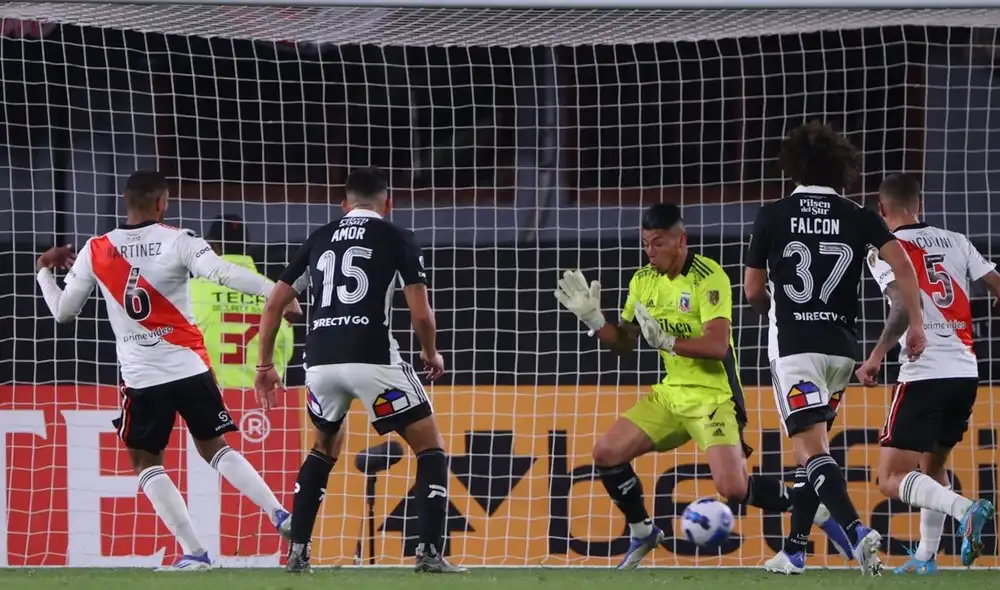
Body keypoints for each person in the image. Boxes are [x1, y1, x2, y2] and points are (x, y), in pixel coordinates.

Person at [554, 202, 852, 570]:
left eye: (658, 243)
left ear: (681, 240)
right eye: (646, 243)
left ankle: (812, 507)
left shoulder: (709, 277)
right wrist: (596, 320)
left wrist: (666, 342)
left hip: (714, 396)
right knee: (606, 454)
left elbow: (717, 346)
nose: (650, 252)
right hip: (671, 394)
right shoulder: (642, 281)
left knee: (733, 489)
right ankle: (643, 530)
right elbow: (625, 345)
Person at [34, 170, 302, 571]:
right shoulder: (180, 239)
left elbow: (63, 313)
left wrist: (43, 269)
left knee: (146, 463)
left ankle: (195, 552)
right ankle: (280, 514)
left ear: (127, 202)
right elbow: (224, 273)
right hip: (191, 368)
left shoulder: (96, 248)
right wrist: (278, 293)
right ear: (162, 202)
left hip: (142, 379)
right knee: (217, 448)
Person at [254, 166, 463, 575]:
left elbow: (274, 304)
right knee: (430, 447)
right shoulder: (397, 236)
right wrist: (431, 353)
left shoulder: (320, 237)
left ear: (343, 203)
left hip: (320, 365)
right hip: (373, 362)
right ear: (389, 203)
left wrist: (264, 365)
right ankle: (428, 553)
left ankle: (297, 554)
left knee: (322, 448)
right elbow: (421, 314)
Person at [744, 121, 927, 576]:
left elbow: (751, 290)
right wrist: (917, 323)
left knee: (811, 451)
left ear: (793, 169)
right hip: (842, 353)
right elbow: (903, 265)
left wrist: (773, 309)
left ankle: (857, 531)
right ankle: (794, 550)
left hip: (795, 349)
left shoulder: (772, 214)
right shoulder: (860, 215)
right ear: (841, 170)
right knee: (815, 449)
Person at [858, 173, 996, 573]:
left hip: (925, 372)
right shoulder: (956, 240)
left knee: (889, 477)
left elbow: (903, 306)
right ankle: (925, 558)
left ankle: (966, 509)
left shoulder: (885, 249)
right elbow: (997, 285)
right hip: (966, 372)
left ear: (881, 210)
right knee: (932, 468)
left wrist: (876, 355)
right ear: (921, 205)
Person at [190, 214, 296, 388]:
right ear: (247, 247)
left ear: (211, 247)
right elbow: (285, 349)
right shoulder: (274, 292)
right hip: (262, 399)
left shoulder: (191, 290)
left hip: (209, 398)